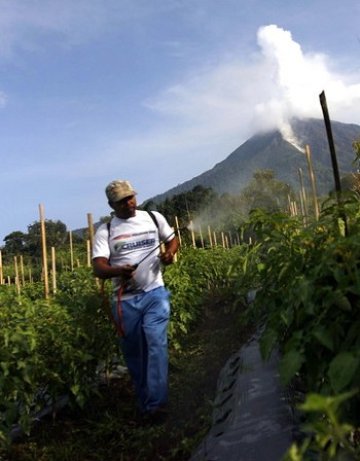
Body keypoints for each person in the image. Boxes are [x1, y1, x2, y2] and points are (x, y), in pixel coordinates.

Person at [92, 179, 179, 422]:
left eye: (131, 197)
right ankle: (145, 404)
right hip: (125, 301)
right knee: (135, 354)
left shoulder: (153, 218)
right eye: (122, 201)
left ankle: (157, 405)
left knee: (156, 343)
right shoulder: (106, 230)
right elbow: (98, 267)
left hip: (155, 293)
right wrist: (118, 271)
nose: (129, 203)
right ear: (112, 204)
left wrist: (169, 253)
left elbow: (172, 239)